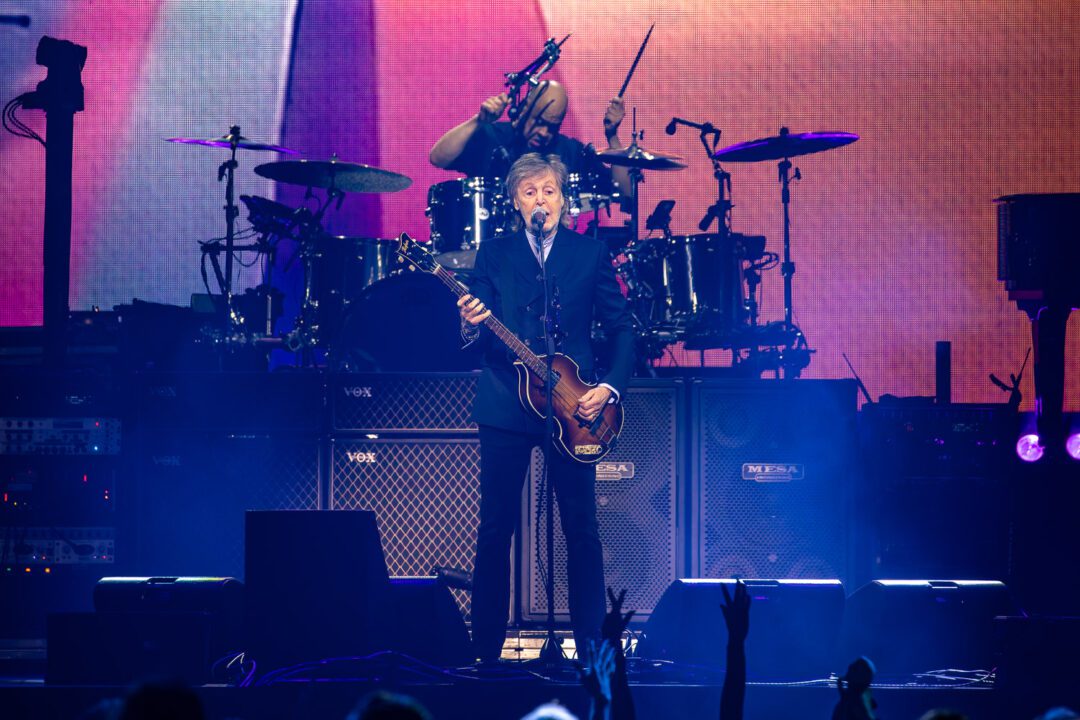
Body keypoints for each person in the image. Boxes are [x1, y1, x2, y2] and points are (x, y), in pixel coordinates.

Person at [457, 153, 635, 662]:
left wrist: (610, 387)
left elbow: (622, 328)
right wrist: (469, 320)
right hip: (505, 404)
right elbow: (474, 334)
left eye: (549, 191)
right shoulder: (493, 254)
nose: (541, 201)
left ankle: (594, 652)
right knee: (495, 529)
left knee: (582, 529)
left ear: (564, 199)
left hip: (572, 407)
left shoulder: (590, 253)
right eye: (530, 192)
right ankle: (484, 653)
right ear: (516, 203)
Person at [429, 79, 633, 202]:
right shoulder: (492, 137)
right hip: (491, 251)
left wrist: (612, 136)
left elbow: (625, 193)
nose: (544, 133)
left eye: (552, 127)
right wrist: (477, 121)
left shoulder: (569, 152)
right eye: (540, 122)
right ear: (524, 109)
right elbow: (438, 158)